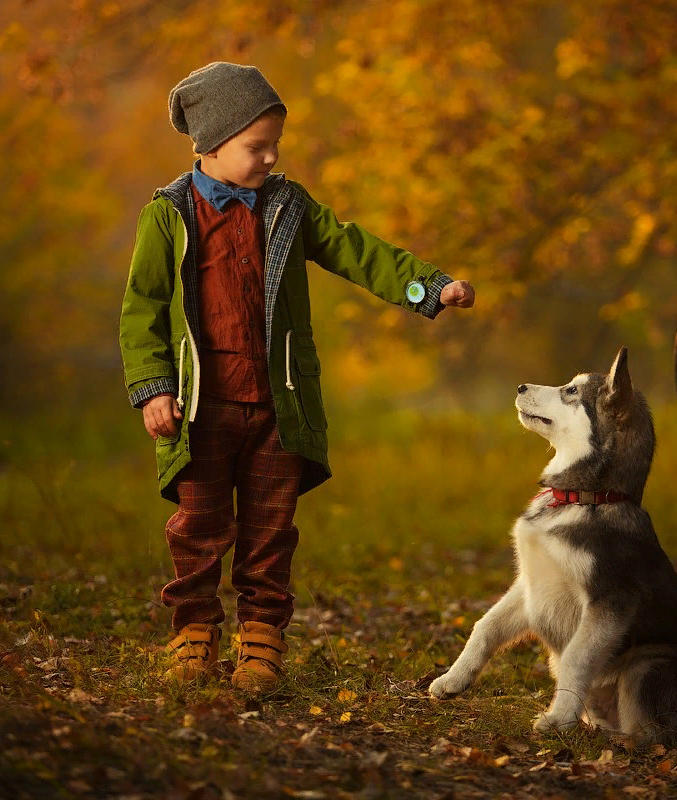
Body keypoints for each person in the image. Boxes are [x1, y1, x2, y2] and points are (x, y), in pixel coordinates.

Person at [119, 62, 475, 692]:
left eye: (275, 144)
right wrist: (154, 389)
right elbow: (141, 310)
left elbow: (357, 250)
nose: (270, 157)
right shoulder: (167, 214)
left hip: (279, 407)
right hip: (200, 410)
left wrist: (431, 286)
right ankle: (193, 634)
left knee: (270, 531)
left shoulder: (289, 206)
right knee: (198, 527)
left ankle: (260, 640)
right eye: (257, 147)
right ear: (212, 144)